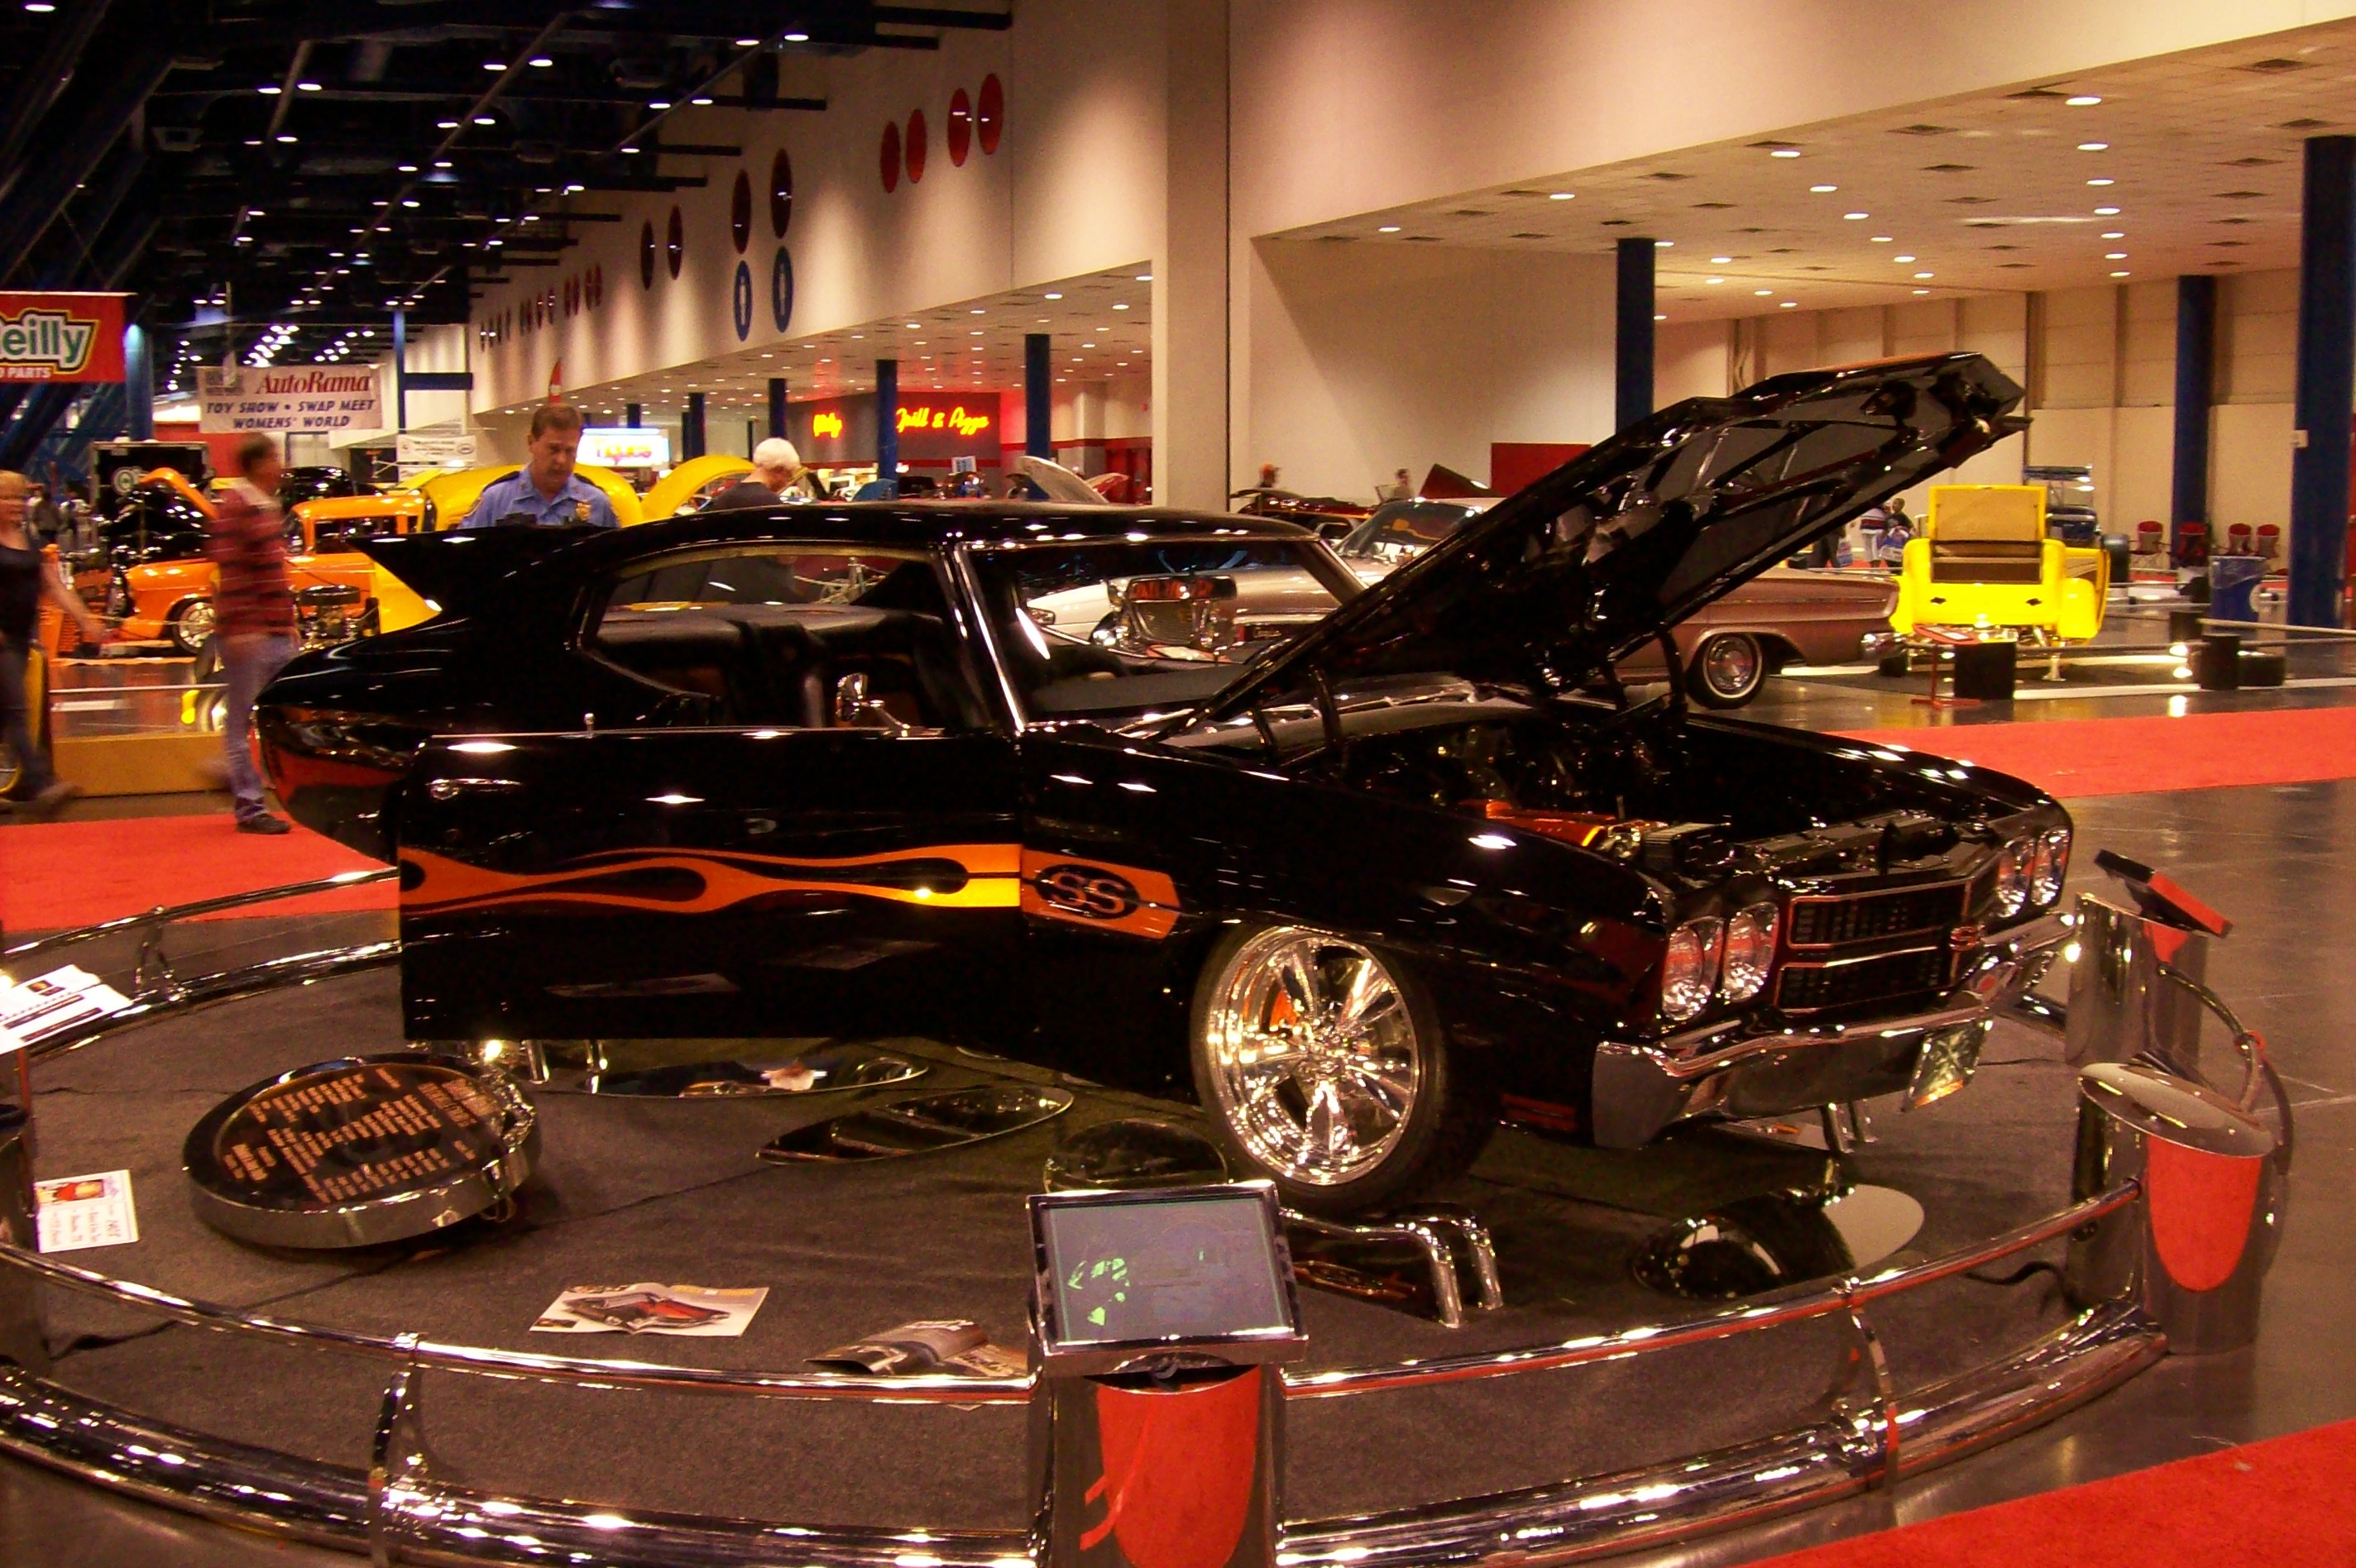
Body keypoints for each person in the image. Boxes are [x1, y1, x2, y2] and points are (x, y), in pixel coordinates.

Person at [0, 470, 105, 819]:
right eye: (7, 498)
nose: (16, 504)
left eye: (19, 497)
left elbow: (55, 586)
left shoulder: (29, 541)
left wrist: (86, 620)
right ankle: (42, 785)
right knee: (16, 710)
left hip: (19, 638)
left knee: (5, 715)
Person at [209, 433, 298, 834]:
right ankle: (249, 805)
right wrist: (242, 628)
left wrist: (288, 622)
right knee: (241, 721)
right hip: (250, 633)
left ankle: (256, 784)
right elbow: (231, 571)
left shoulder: (265, 505)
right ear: (258, 463)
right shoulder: (237, 506)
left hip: (273, 629)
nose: (281, 466)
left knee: (276, 714)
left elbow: (272, 575)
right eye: (275, 458)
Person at [459, 403, 618, 528]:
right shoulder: (496, 501)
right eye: (554, 449)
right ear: (531, 442)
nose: (561, 460)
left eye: (570, 451)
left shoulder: (597, 503)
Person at [705, 437, 809, 510]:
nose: (786, 483)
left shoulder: (724, 498)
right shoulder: (769, 502)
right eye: (789, 476)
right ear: (779, 469)